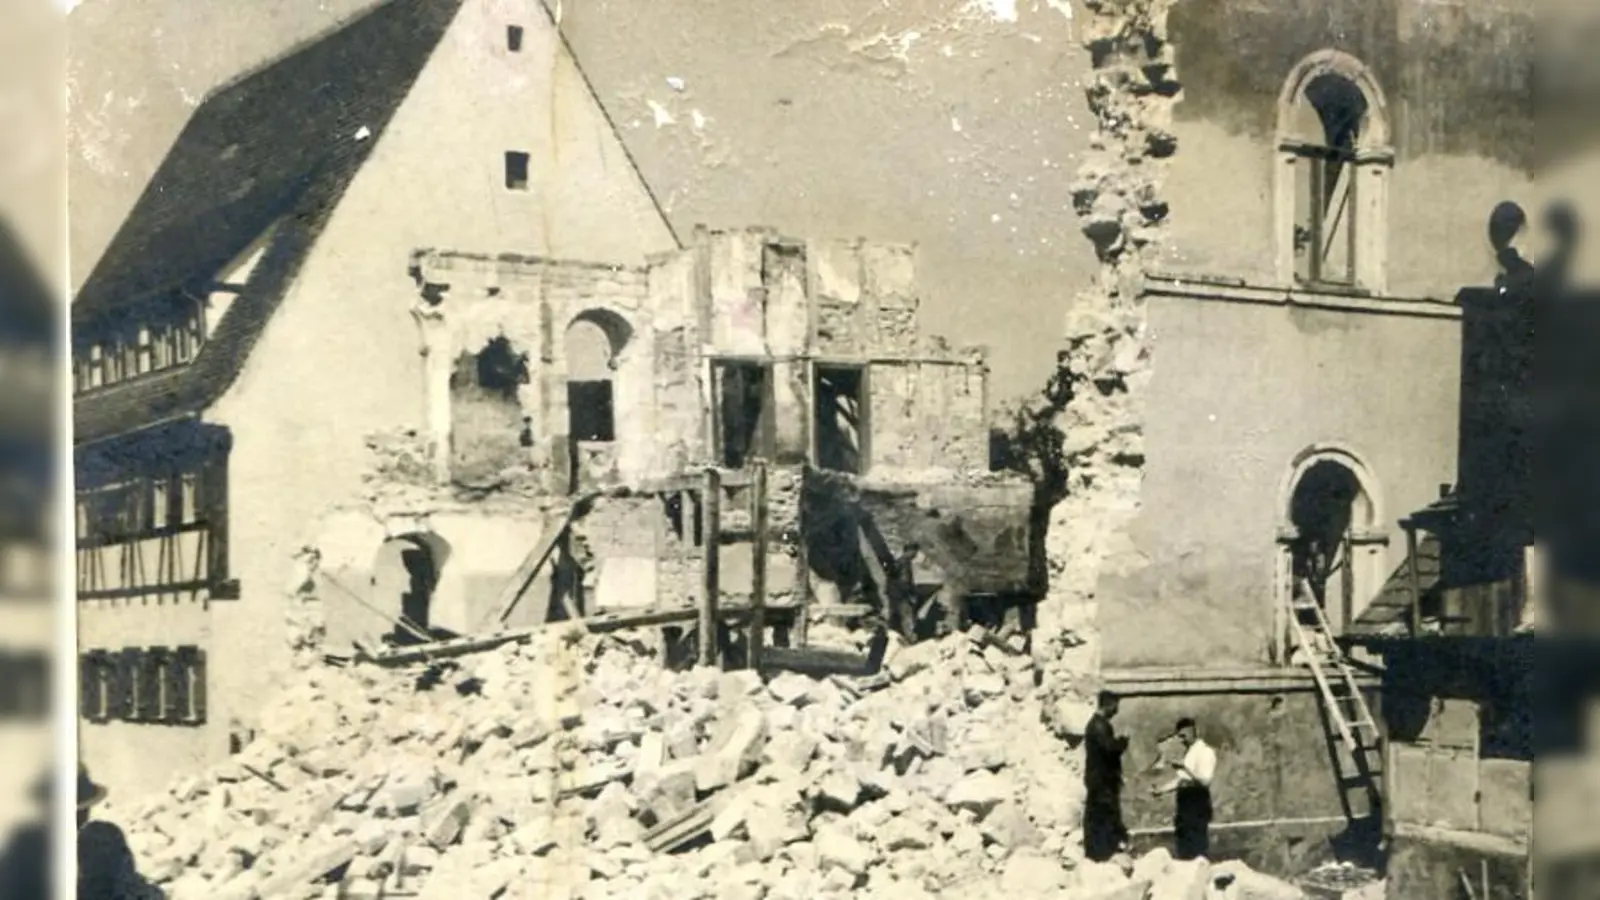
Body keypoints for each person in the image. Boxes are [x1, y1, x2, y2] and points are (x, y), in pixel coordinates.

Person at [1151, 716, 1217, 860]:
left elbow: (1204, 781)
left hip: (1197, 804)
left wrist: (1184, 767)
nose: (1181, 740)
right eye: (1179, 737)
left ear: (1193, 732)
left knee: (1197, 845)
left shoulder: (1206, 752)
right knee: (1184, 843)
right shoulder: (1189, 753)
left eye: (1184, 736)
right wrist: (1161, 790)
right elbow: (1182, 780)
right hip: (1185, 806)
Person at [1082, 690, 1130, 861]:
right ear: (1109, 705)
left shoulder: (1097, 725)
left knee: (1102, 815)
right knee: (1103, 816)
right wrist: (1123, 742)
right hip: (1102, 782)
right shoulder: (1099, 726)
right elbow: (1109, 750)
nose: (1116, 711)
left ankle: (1101, 851)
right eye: (1115, 706)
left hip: (1100, 781)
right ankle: (1101, 852)